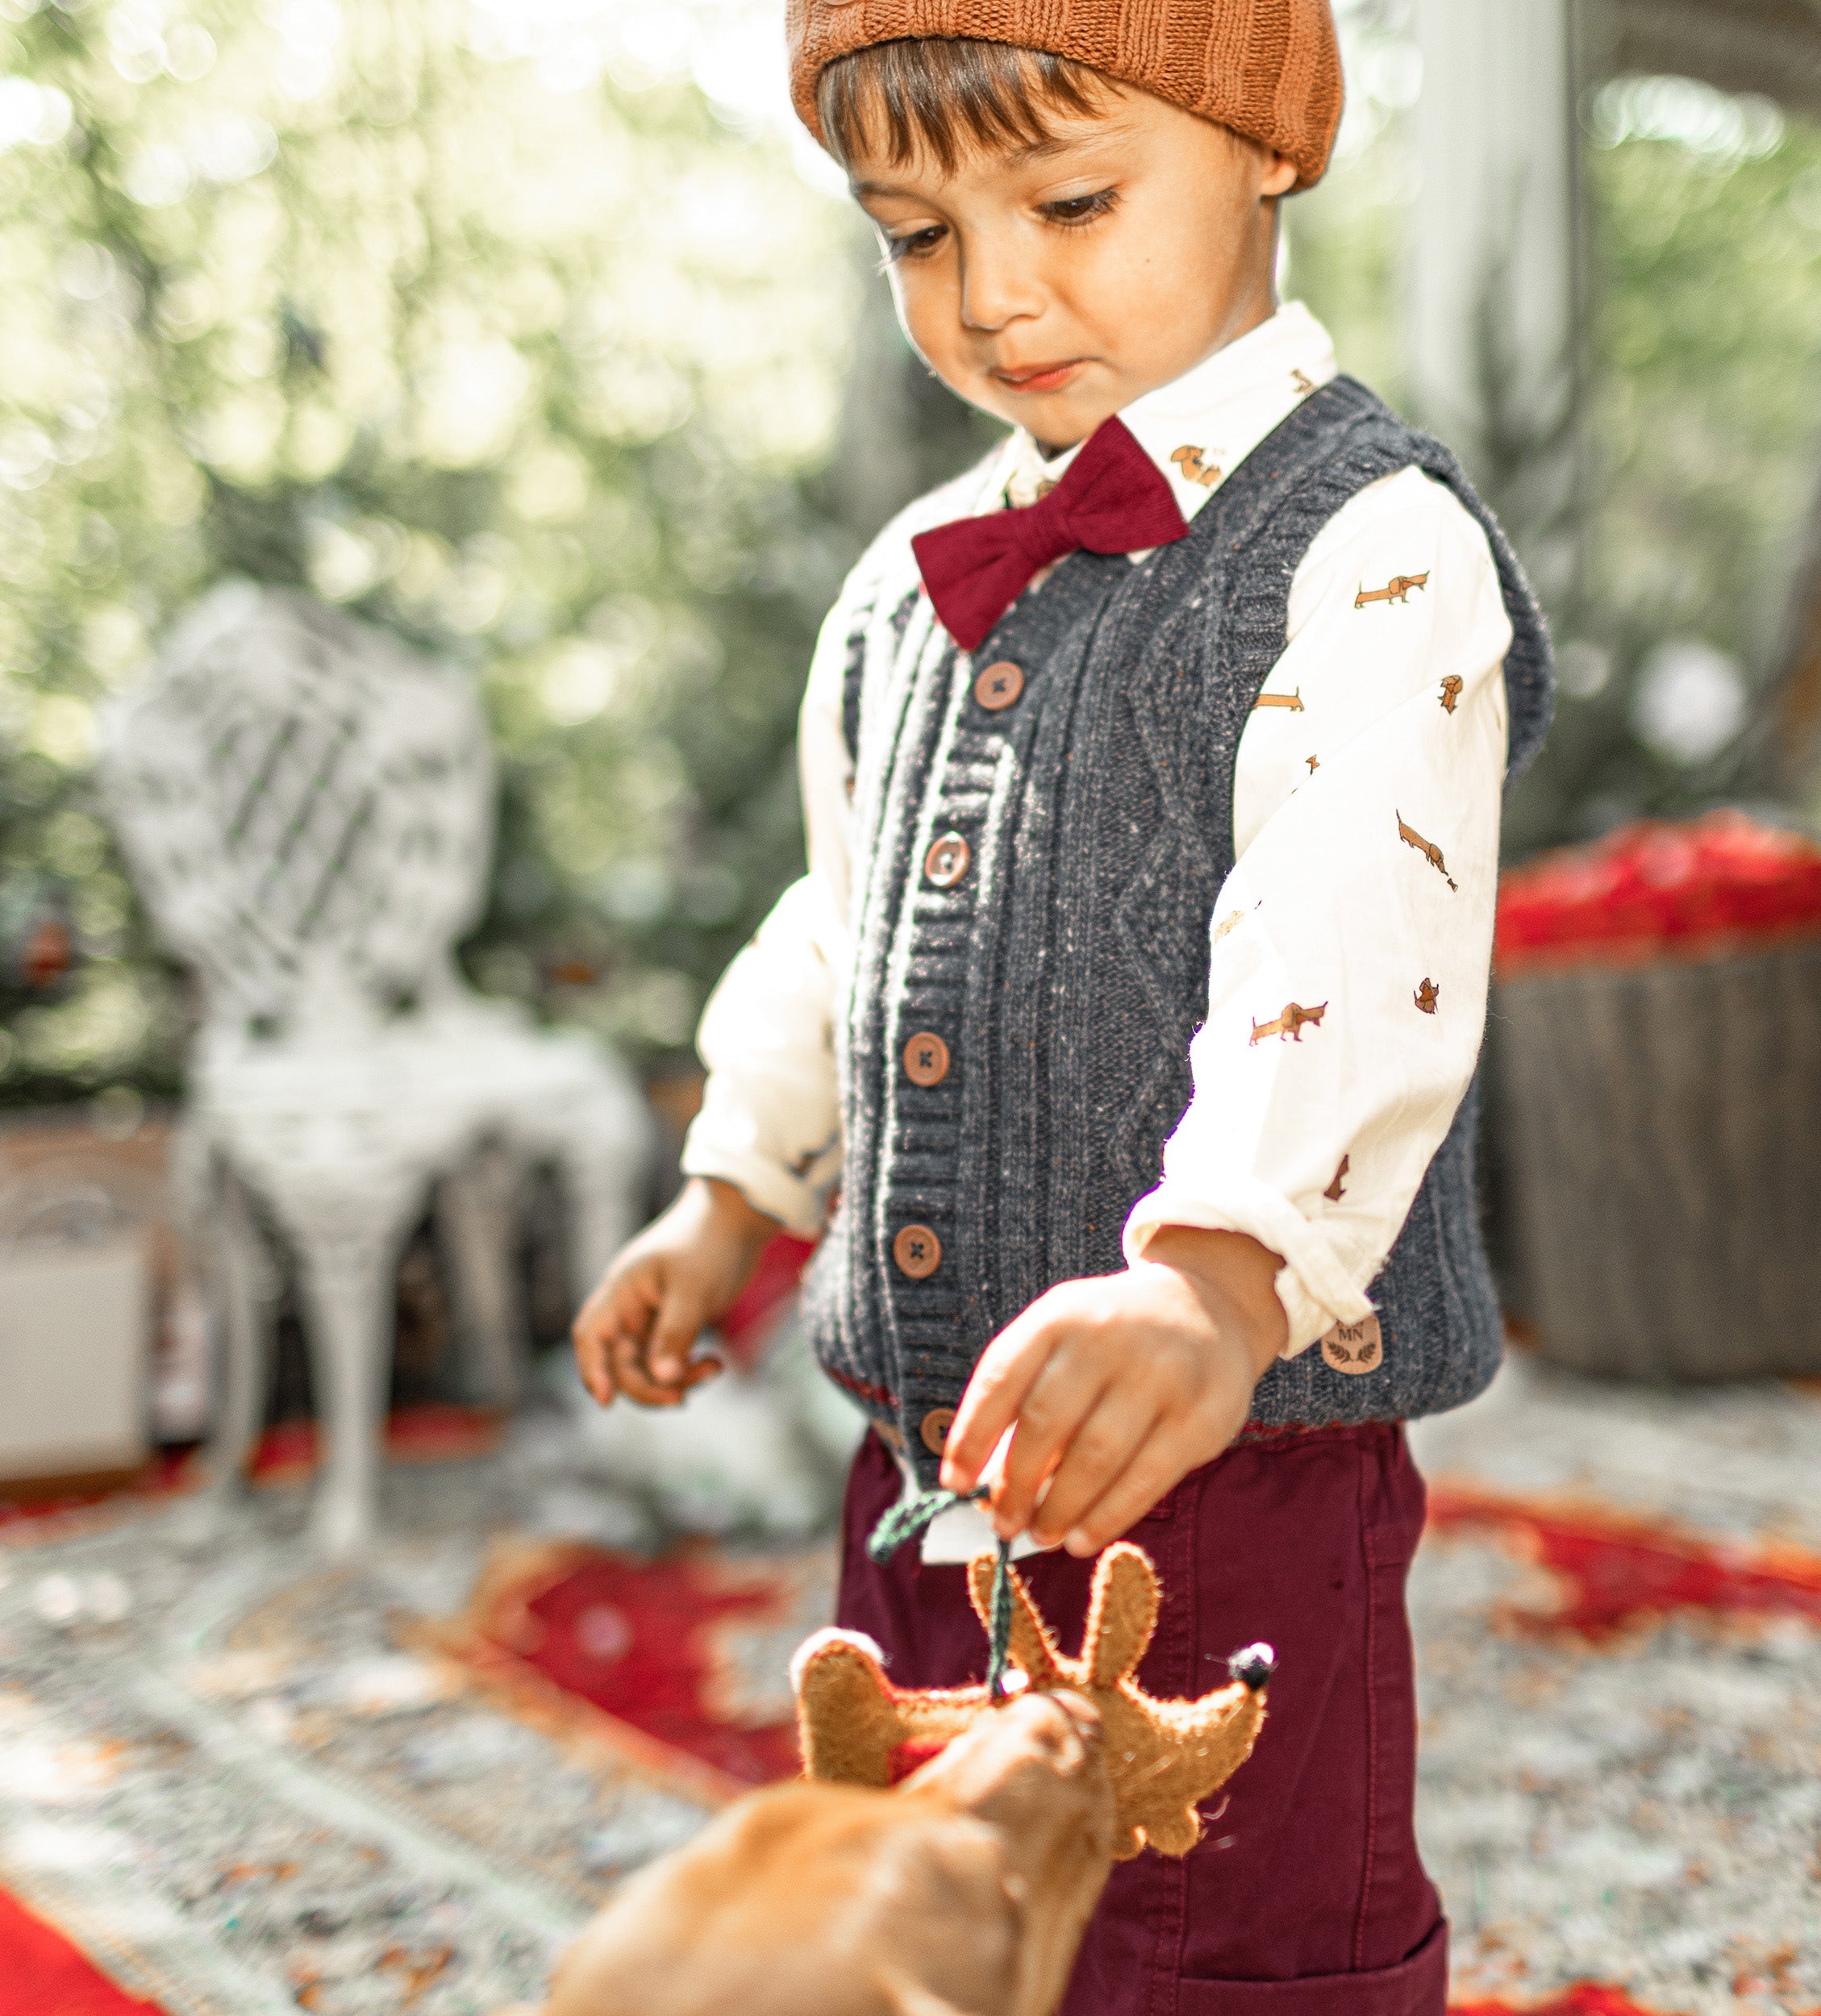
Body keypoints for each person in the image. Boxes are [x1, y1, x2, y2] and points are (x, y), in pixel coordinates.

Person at [573, 4, 1554, 2007]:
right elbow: (837, 923)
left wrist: (1213, 1276)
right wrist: (732, 1187)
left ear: (1263, 144)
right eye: (915, 234)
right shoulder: (908, 577)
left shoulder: (1368, 550)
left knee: (1225, 1935)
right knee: (917, 1911)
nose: (994, 293)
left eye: (1070, 201)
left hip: (1229, 1462)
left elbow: (1350, 938)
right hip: (923, 1466)